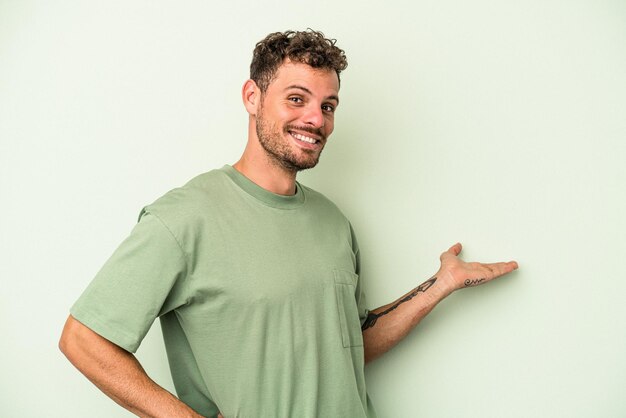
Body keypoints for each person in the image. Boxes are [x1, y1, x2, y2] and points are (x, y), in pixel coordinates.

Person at [59, 29, 518, 418]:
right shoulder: (183, 218)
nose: (315, 119)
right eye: (297, 99)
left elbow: (348, 347)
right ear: (252, 97)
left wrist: (440, 285)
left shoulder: (333, 222)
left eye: (329, 106)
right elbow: (83, 339)